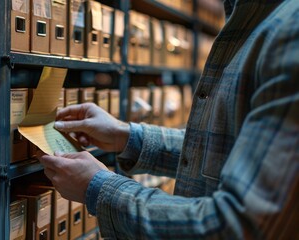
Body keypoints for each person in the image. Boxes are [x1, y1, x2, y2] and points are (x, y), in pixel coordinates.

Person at [37, 0, 299, 238]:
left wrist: (100, 188)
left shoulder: (289, 30)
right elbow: (232, 149)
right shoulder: (258, 18)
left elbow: (239, 225)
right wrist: (126, 136)